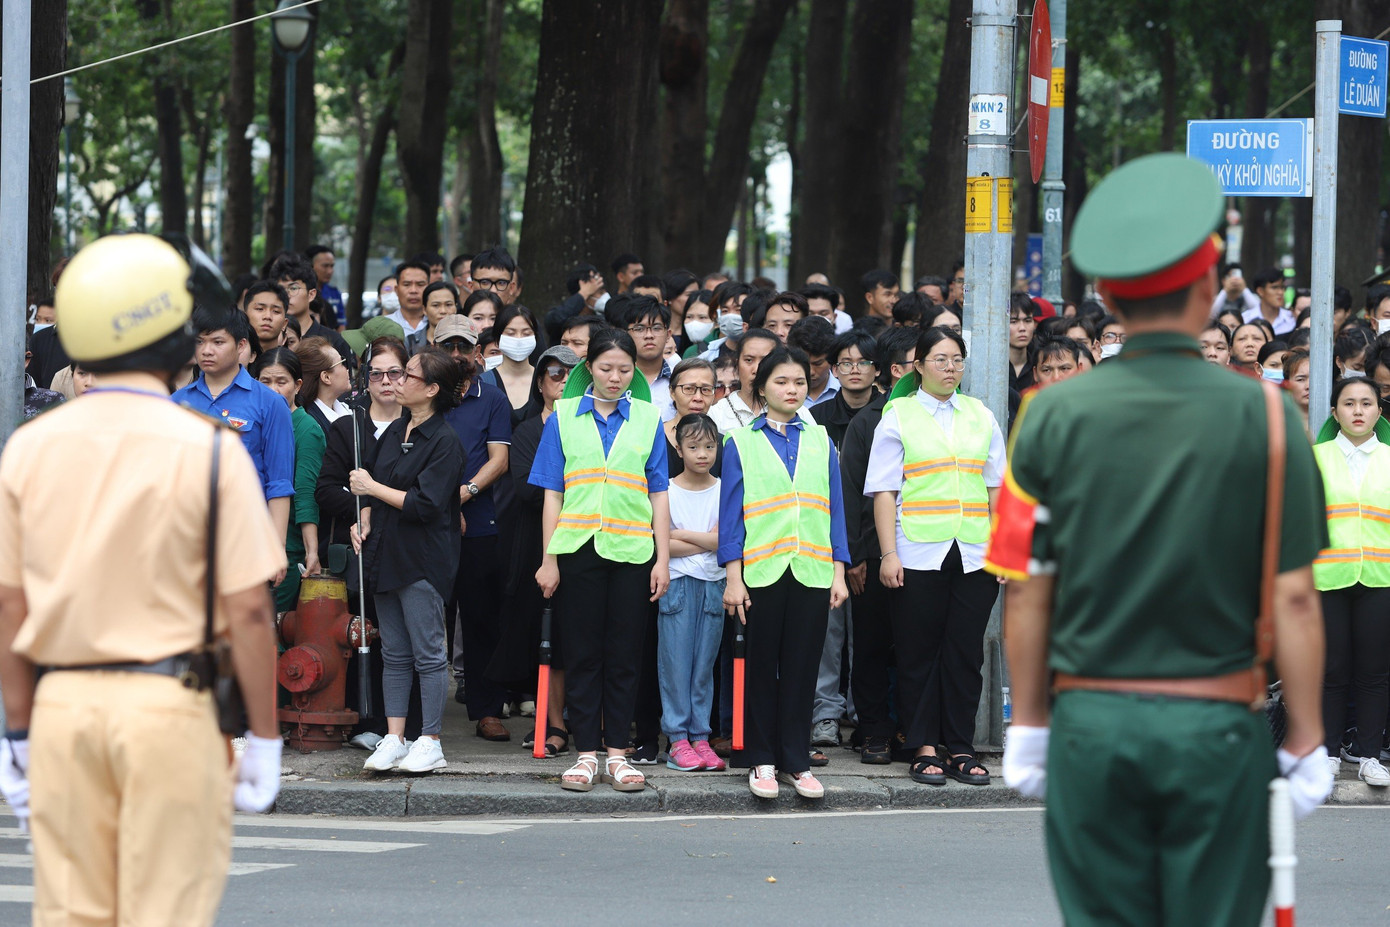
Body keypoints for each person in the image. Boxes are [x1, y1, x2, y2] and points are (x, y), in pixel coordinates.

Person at [989, 153, 1332, 926]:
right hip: (1216, 729)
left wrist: (1031, 723)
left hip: (1090, 729)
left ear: (1108, 295)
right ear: (1211, 288)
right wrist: (1306, 734)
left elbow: (1027, 585)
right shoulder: (1271, 416)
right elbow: (1296, 596)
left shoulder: (1046, 413)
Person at [0, 233, 284, 926]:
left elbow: (10, 601)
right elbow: (248, 609)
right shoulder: (210, 449)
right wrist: (266, 739)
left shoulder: (29, 448)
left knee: (71, 911)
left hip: (62, 705)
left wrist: (16, 731)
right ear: (178, 338)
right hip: (171, 708)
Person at [529, 328, 670, 792]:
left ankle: (618, 755)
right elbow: (553, 493)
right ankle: (586, 753)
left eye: (625, 370)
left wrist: (662, 558)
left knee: (625, 655)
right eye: (606, 368)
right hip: (577, 550)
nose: (615, 378)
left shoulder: (649, 418)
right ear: (588, 369)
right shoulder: (564, 416)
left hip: (633, 552)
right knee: (584, 653)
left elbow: (659, 494)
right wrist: (549, 560)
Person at [867, 326, 1007, 786]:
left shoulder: (979, 413)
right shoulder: (898, 414)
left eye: (957, 360)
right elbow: (885, 492)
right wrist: (889, 554)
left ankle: (960, 747)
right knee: (917, 652)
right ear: (919, 366)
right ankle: (924, 746)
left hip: (974, 551)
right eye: (941, 359)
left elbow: (996, 488)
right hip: (917, 549)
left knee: (965, 653)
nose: (951, 368)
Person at [720, 345, 851, 799]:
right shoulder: (739, 442)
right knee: (760, 668)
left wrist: (839, 571)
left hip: (813, 570)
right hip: (760, 571)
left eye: (799, 381)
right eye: (781, 381)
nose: (792, 389)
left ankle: (796, 760)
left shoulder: (821, 441)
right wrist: (733, 577)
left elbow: (835, 511)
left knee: (801, 669)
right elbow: (731, 515)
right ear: (761, 387)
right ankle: (761, 761)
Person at [353, 349, 466, 774]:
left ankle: (431, 739)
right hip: (385, 554)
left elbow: (424, 504)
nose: (397, 381)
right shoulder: (397, 429)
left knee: (429, 654)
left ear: (432, 389)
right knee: (395, 653)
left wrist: (370, 489)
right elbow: (379, 492)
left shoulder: (444, 440)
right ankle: (395, 736)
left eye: (407, 375)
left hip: (422, 560)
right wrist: (363, 517)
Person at [487, 346, 581, 758]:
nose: (562, 381)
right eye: (555, 374)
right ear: (540, 382)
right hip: (537, 544)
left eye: (571, 374)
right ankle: (553, 722)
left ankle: (590, 720)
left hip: (590, 541)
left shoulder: (596, 426)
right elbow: (525, 488)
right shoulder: (526, 430)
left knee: (586, 637)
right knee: (549, 638)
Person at [1310, 377, 1390, 786]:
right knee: (1333, 670)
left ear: (1379, 410)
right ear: (1334, 411)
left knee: (1374, 672)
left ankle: (1369, 756)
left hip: (1380, 579)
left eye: (1366, 403)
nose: (1358, 410)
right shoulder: (1315, 457)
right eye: (1348, 403)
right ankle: (1327, 754)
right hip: (1328, 578)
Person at [172, 307, 295, 558]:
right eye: (199, 341)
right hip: (186, 536)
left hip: (245, 535)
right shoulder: (176, 402)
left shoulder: (270, 403)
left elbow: (280, 482)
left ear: (241, 345)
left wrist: (276, 546)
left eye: (218, 342)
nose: (206, 350)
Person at [442, 324, 514, 741]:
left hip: (480, 522)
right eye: (447, 346)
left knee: (482, 619)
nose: (456, 354)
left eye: (463, 346)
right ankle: (419, 716)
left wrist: (461, 496)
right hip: (427, 524)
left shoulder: (494, 399)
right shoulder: (421, 394)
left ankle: (487, 709)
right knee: (433, 618)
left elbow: (499, 460)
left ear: (477, 353)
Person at [659, 413, 728, 773]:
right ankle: (677, 739)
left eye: (709, 446)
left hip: (715, 585)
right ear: (679, 448)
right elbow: (661, 545)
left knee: (703, 667)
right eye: (694, 446)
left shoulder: (725, 488)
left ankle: (701, 736)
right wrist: (707, 543)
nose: (702, 454)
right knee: (675, 664)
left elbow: (726, 542)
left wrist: (684, 537)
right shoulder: (666, 490)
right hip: (678, 585)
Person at [253, 346, 326, 611]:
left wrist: (311, 550)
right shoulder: (256, 422)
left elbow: (306, 493)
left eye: (281, 382)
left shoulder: (306, 429)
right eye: (265, 381)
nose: (273, 390)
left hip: (288, 546)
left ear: (297, 386)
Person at [663, 358, 724, 478]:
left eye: (706, 390)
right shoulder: (654, 438)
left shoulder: (723, 444)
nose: (698, 397)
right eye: (689, 389)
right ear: (672, 392)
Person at [487, 304, 544, 425]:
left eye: (526, 333)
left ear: (535, 338)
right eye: (511, 333)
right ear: (497, 339)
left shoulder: (547, 381)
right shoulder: (484, 382)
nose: (519, 339)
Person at [296, 336, 354, 435]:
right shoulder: (312, 425)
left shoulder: (347, 410)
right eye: (342, 363)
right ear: (326, 377)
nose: (347, 369)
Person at [1008, 294, 1037, 390]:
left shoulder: (1040, 363)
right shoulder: (989, 367)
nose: (1022, 328)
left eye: (1028, 320)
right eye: (1013, 321)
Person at [422, 280, 461, 346]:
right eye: (436, 305)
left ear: (456, 307)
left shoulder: (467, 341)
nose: (443, 311)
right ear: (424, 309)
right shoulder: (411, 342)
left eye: (448, 305)